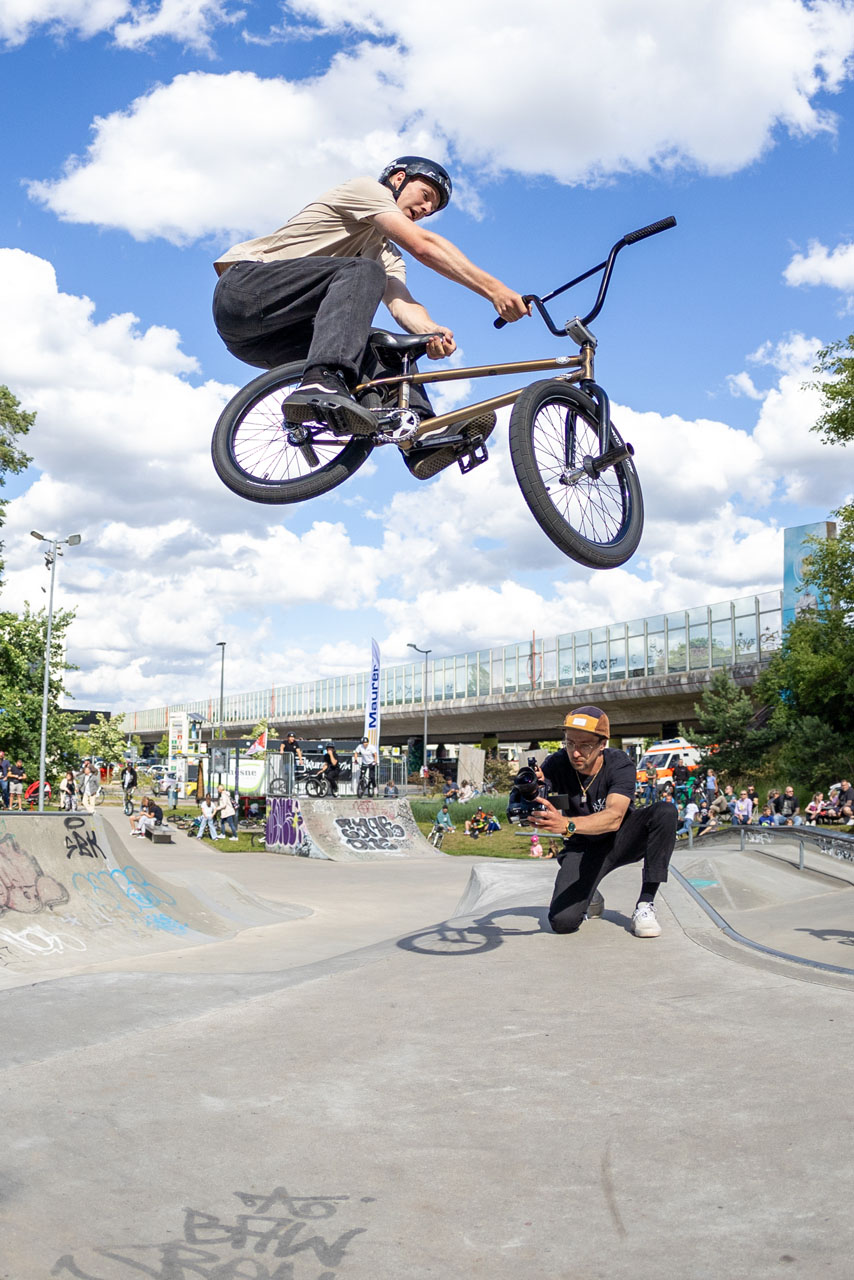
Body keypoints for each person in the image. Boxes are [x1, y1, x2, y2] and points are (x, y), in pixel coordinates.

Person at [212, 157, 529, 480]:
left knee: (386, 348)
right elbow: (424, 246)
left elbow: (402, 304)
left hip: (265, 343)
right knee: (363, 270)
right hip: (246, 293)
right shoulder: (366, 190)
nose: (425, 210)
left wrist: (431, 333)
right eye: (425, 195)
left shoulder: (386, 254)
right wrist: (494, 290)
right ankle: (323, 379)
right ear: (399, 179)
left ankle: (418, 436)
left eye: (431, 210)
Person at [523, 705, 677, 939]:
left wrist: (567, 825)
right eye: (570, 743)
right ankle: (590, 891)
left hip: (622, 838)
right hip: (582, 847)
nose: (575, 753)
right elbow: (539, 799)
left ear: (602, 744)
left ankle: (646, 903)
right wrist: (530, 793)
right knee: (562, 923)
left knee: (665, 812)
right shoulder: (556, 763)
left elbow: (615, 816)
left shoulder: (619, 763)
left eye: (585, 745)